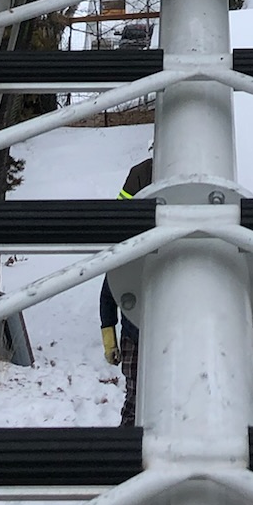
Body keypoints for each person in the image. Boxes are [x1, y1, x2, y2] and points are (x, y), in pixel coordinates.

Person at [98, 156, 152, 425]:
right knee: (135, 399)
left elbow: (111, 285)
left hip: (138, 331)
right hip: (137, 333)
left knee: (137, 400)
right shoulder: (142, 174)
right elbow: (111, 286)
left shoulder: (141, 173)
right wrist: (108, 333)